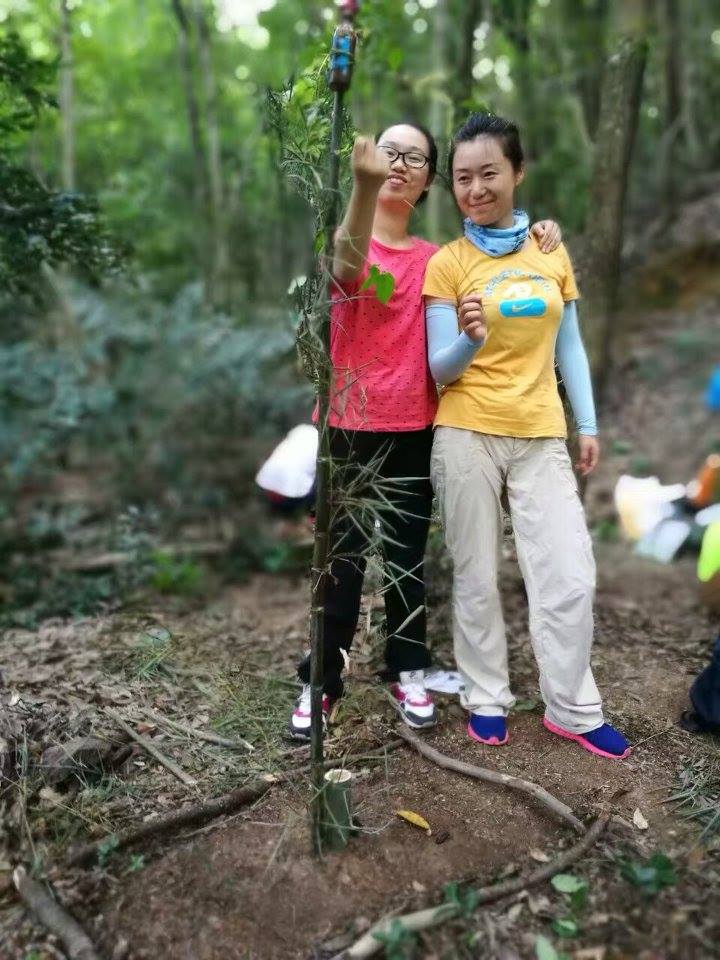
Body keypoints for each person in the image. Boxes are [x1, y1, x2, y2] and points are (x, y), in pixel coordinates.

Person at [289, 120, 561, 739]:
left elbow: (499, 257)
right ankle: (321, 681)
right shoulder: (348, 234)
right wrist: (362, 187)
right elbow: (346, 269)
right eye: (392, 152)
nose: (402, 164)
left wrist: (544, 233)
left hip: (416, 424)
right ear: (372, 161)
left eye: (417, 158)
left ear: (430, 182)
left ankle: (406, 665)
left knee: (408, 558)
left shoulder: (437, 260)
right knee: (341, 561)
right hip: (347, 425)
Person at [423, 112, 630, 759]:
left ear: (517, 172)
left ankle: (571, 706)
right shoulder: (448, 264)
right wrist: (469, 337)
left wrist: (587, 423)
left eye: (489, 173)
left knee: (569, 573)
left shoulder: (548, 250)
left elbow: (569, 346)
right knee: (478, 574)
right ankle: (486, 696)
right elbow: (438, 368)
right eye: (462, 178)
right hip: (465, 430)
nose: (476, 188)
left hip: (541, 430)